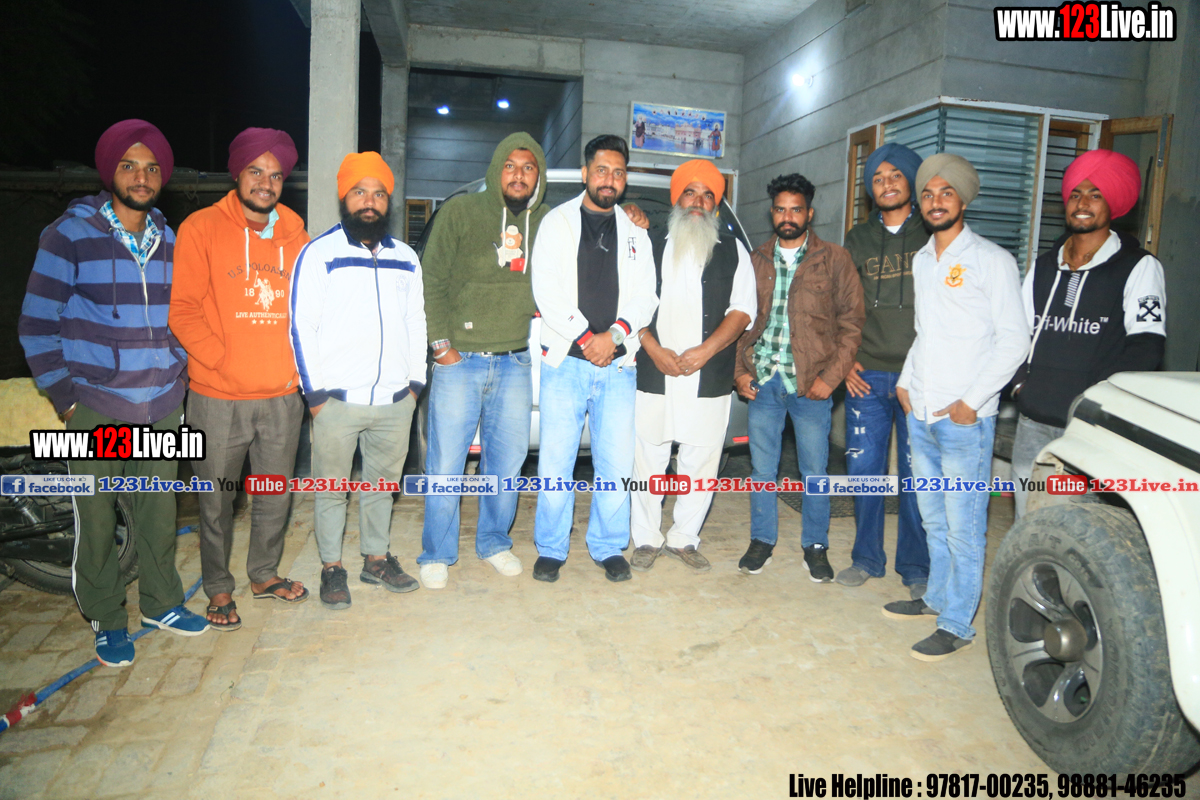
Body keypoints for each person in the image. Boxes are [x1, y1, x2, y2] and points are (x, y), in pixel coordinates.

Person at [417, 134, 649, 590]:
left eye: (528, 168)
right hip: (468, 360)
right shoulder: (475, 214)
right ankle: (440, 553)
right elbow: (435, 278)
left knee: (509, 464)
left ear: (538, 176)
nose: (519, 175)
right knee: (446, 465)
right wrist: (440, 344)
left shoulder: (557, 220)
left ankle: (496, 543)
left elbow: (640, 286)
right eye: (510, 166)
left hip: (519, 361)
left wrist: (616, 334)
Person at [18, 120, 208, 666]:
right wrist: (66, 398)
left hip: (162, 404)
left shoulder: (172, 241)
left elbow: (185, 317)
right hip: (96, 406)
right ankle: (106, 616)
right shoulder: (69, 236)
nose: (141, 177)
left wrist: (180, 374)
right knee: (98, 518)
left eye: (151, 168)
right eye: (129, 166)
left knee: (158, 511)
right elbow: (36, 325)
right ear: (110, 172)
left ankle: (162, 604)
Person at [886, 154, 1029, 661]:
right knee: (933, 519)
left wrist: (973, 402)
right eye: (927, 194)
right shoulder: (923, 260)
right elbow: (925, 333)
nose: (935, 201)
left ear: (963, 200)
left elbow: (1014, 341)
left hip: (965, 421)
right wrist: (905, 381)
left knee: (965, 526)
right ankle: (937, 597)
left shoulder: (992, 260)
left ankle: (957, 623)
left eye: (945, 193)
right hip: (922, 414)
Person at [170, 128, 310, 631]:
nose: (266, 183)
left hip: (281, 395)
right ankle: (218, 587)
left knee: (274, 494)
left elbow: (309, 311)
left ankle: (264, 574)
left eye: (275, 175)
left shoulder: (297, 236)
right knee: (216, 499)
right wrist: (223, 362)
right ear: (237, 173)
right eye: (256, 171)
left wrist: (298, 371)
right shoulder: (201, 227)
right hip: (217, 396)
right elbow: (183, 310)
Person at [290, 152, 426, 609]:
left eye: (379, 193)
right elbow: (301, 325)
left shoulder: (406, 258)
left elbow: (416, 321)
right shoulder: (319, 254)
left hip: (395, 400)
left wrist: (415, 385)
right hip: (336, 402)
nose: (370, 201)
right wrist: (315, 396)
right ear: (343, 197)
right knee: (331, 491)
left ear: (388, 201)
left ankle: (376, 559)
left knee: (381, 488)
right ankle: (332, 567)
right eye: (359, 192)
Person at [529, 134, 657, 583]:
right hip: (566, 362)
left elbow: (646, 295)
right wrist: (587, 338)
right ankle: (551, 547)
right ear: (586, 173)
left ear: (625, 179)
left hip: (618, 366)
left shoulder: (636, 231)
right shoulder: (556, 222)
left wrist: (615, 336)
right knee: (555, 461)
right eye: (601, 170)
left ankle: (607, 545)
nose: (609, 179)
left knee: (616, 464)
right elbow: (545, 289)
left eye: (618, 172)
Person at [1010, 149, 1166, 518]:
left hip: (1089, 428)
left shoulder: (1139, 267)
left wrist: (1097, 402)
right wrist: (1019, 388)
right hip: (1033, 421)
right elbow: (1016, 334)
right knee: (1026, 523)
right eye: (1075, 194)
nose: (1082, 204)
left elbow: (1146, 347)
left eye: (1095, 195)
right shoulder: (1043, 266)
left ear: (1114, 204)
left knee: (1075, 527)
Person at [734, 174, 864, 580]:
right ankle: (762, 540)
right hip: (764, 381)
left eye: (796, 209)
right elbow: (737, 319)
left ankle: (816, 546)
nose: (787, 217)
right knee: (762, 470)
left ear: (810, 213)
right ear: (771, 213)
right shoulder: (754, 260)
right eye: (780, 209)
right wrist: (739, 372)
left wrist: (831, 378)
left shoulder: (835, 260)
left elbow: (852, 325)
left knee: (814, 472)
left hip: (811, 385)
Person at [630, 159, 756, 572]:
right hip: (655, 369)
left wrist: (704, 352)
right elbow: (629, 303)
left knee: (701, 460)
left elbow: (742, 311)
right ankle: (646, 538)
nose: (698, 202)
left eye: (708, 195)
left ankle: (684, 538)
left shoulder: (733, 250)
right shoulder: (647, 243)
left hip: (709, 373)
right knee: (648, 457)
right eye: (690, 192)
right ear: (677, 199)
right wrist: (652, 348)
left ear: (716, 204)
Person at [837, 143, 930, 597]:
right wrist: (845, 360)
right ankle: (866, 558)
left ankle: (916, 567)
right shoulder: (856, 240)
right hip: (866, 375)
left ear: (911, 182)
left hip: (921, 378)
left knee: (917, 478)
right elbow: (840, 307)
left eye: (895, 176)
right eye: (878, 178)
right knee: (865, 473)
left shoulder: (934, 233)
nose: (887, 184)